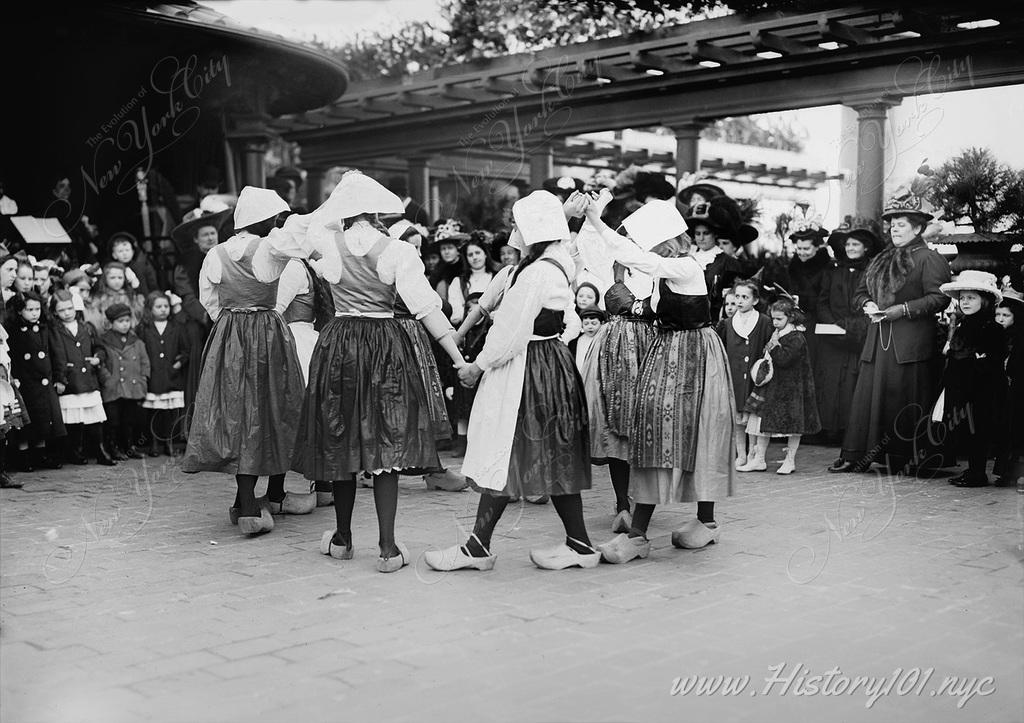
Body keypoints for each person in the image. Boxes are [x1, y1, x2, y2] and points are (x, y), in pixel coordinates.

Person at [286, 171, 466, 572]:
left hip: (340, 342)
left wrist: (329, 207)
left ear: (343, 211)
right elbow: (425, 308)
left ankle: (343, 538)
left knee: (341, 437)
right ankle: (387, 548)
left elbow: (293, 231)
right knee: (387, 440)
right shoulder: (398, 250)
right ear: (376, 212)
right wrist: (457, 357)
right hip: (385, 343)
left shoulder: (324, 243)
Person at [425, 190, 598, 572]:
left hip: (528, 369)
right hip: (550, 365)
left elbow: (509, 331)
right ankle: (578, 543)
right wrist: (566, 214)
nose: (513, 231)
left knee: (503, 451)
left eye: (517, 224)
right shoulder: (557, 262)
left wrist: (478, 366)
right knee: (550, 455)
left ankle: (479, 548)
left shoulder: (536, 272)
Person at [583, 196, 735, 562]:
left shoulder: (685, 267)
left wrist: (596, 220)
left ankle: (703, 522)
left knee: (696, 431)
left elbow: (638, 259)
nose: (641, 249)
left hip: (694, 355)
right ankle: (641, 532)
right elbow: (645, 295)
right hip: (668, 352)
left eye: (647, 243)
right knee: (654, 430)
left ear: (664, 243)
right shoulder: (665, 273)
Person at [181, 187, 315, 536]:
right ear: (265, 220)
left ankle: (247, 501)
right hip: (267, 331)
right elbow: (304, 236)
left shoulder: (215, 253)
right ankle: (255, 504)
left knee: (237, 411)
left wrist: (229, 325)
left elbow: (209, 299)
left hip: (229, 331)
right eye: (274, 218)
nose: (277, 223)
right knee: (273, 408)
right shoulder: (271, 247)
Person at [830, 193, 952, 474]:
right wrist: (867, 304)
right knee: (868, 400)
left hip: (910, 344)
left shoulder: (929, 259)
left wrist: (903, 310)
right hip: (877, 343)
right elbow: (859, 294)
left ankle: (905, 458)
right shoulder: (880, 259)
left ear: (918, 228)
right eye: (892, 224)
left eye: (901, 224)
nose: (894, 229)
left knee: (904, 400)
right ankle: (858, 454)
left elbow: (939, 298)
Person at [935, 271, 1006, 487]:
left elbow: (993, 357)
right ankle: (972, 470)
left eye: (971, 298)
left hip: (982, 389)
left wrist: (974, 360)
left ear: (984, 301)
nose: (965, 302)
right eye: (963, 298)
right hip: (961, 386)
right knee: (967, 429)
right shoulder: (964, 324)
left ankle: (977, 473)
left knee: (979, 429)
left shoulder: (990, 327)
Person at [815, 227, 881, 444]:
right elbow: (822, 301)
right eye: (848, 244)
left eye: (856, 244)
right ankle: (828, 431)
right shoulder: (833, 270)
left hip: (860, 336)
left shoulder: (873, 272)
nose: (851, 248)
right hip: (833, 336)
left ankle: (850, 433)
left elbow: (873, 301)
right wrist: (833, 325)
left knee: (853, 384)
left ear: (866, 247)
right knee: (830, 384)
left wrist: (854, 327)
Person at [739, 298, 821, 474]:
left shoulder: (797, 337)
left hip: (791, 389)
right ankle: (759, 459)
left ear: (790, 318)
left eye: (779, 319)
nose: (775, 323)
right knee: (762, 421)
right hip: (774, 386)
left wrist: (774, 346)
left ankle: (790, 460)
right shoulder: (778, 334)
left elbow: (784, 359)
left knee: (794, 426)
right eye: (773, 319)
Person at [48, 289, 114, 466]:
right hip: (71, 379)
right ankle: (74, 451)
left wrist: (97, 358)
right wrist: (60, 377)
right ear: (55, 312)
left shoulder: (87, 327)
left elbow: (100, 348)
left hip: (88, 378)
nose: (67, 313)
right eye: (61, 310)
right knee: (74, 419)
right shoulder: (54, 330)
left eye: (69, 308)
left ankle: (100, 451)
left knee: (95, 417)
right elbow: (55, 355)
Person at [4, 292, 65, 469]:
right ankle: (24, 457)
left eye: (37, 309)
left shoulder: (46, 328)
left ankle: (40, 455)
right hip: (25, 382)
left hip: (43, 381)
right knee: (26, 421)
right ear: (19, 311)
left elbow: (57, 353)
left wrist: (60, 377)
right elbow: (12, 356)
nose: (34, 313)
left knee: (43, 420)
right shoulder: (14, 331)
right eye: (29, 309)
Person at [716, 280, 772, 470]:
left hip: (754, 379)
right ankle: (741, 454)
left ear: (755, 300)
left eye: (745, 297)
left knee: (753, 418)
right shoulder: (728, 323)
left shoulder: (763, 321)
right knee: (738, 418)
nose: (740, 301)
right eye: (737, 297)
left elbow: (768, 348)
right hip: (735, 377)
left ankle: (754, 455)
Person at [137, 291, 190, 457]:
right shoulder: (144, 329)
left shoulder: (177, 327)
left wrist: (177, 365)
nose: (163, 310)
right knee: (154, 413)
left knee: (170, 414)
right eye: (158, 307)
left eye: (166, 306)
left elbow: (185, 351)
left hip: (171, 377)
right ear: (150, 309)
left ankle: (169, 444)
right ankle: (154, 443)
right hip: (153, 378)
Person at [98, 303, 148, 460]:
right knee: (113, 421)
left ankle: (129, 447)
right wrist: (106, 378)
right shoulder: (104, 341)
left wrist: (143, 379)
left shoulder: (136, 341)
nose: (125, 324)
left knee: (129, 420)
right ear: (111, 323)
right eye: (120, 321)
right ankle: (113, 448)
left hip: (131, 387)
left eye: (127, 320)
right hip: (113, 387)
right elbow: (101, 363)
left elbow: (144, 362)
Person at [993, 285, 1023, 487]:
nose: (1000, 319)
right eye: (998, 314)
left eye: (1006, 315)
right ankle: (1006, 471)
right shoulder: (996, 335)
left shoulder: (1019, 338)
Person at [448, 238, 496, 326]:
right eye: (470, 255)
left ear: (485, 254)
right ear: (466, 258)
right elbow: (455, 316)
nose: (475, 257)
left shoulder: (496, 278)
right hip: (467, 331)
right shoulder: (458, 282)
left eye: (477, 253)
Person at [83, 262, 144, 332]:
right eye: (112, 278)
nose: (117, 281)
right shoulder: (100, 297)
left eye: (120, 278)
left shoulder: (130, 295)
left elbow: (138, 315)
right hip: (108, 335)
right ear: (105, 279)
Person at [108, 232, 159, 297]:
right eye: (120, 251)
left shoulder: (143, 266)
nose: (124, 253)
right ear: (114, 255)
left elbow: (153, 285)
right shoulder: (112, 270)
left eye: (127, 250)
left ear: (133, 251)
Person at [571, 308, 605, 372]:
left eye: (594, 323)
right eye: (586, 324)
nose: (590, 326)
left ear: (602, 324)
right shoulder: (576, 341)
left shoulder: (603, 339)